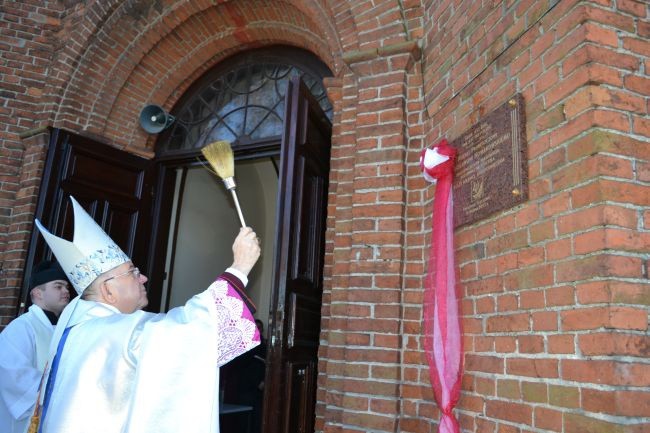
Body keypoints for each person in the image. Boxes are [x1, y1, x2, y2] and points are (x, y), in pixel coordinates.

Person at [32, 196, 261, 433]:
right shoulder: (113, 332)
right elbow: (191, 334)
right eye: (132, 272)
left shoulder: (76, 331)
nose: (143, 278)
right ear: (108, 290)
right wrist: (240, 268)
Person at [0, 260, 71, 433]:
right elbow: (14, 374)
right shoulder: (21, 327)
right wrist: (62, 394)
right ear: (38, 293)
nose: (66, 292)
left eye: (67, 287)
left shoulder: (65, 329)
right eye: (58, 286)